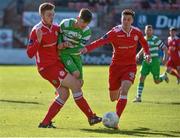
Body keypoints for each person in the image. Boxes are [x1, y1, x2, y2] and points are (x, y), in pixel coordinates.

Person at [26, 2, 101, 128]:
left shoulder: (56, 28)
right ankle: (91, 117)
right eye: (49, 15)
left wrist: (64, 45)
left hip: (57, 64)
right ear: (42, 16)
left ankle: (45, 123)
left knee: (64, 95)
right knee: (76, 85)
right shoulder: (36, 30)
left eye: (53, 14)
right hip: (47, 68)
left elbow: (62, 43)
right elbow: (29, 53)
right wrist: (38, 41)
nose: (52, 17)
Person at [80, 9, 151, 129]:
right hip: (115, 68)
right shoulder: (115, 32)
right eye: (124, 19)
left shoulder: (137, 32)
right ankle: (118, 95)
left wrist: (147, 54)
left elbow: (144, 43)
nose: (126, 22)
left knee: (124, 92)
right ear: (121, 19)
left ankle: (115, 121)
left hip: (130, 67)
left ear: (132, 20)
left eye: (129, 20)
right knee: (113, 97)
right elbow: (101, 41)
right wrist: (87, 49)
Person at [133, 25, 169, 103]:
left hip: (155, 62)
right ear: (145, 31)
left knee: (156, 81)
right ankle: (138, 97)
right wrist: (138, 54)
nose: (148, 31)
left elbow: (165, 48)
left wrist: (165, 58)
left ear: (152, 31)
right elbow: (144, 48)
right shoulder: (144, 39)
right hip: (146, 61)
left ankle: (163, 76)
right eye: (147, 30)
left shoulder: (155, 39)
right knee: (141, 78)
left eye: (150, 30)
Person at [57, 8, 92, 85]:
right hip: (65, 54)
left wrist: (66, 45)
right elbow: (59, 34)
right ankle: (60, 87)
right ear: (78, 18)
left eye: (85, 26)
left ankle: (61, 86)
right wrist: (61, 44)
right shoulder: (65, 23)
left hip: (76, 55)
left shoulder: (87, 32)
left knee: (80, 82)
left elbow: (79, 47)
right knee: (76, 74)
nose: (82, 28)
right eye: (82, 25)